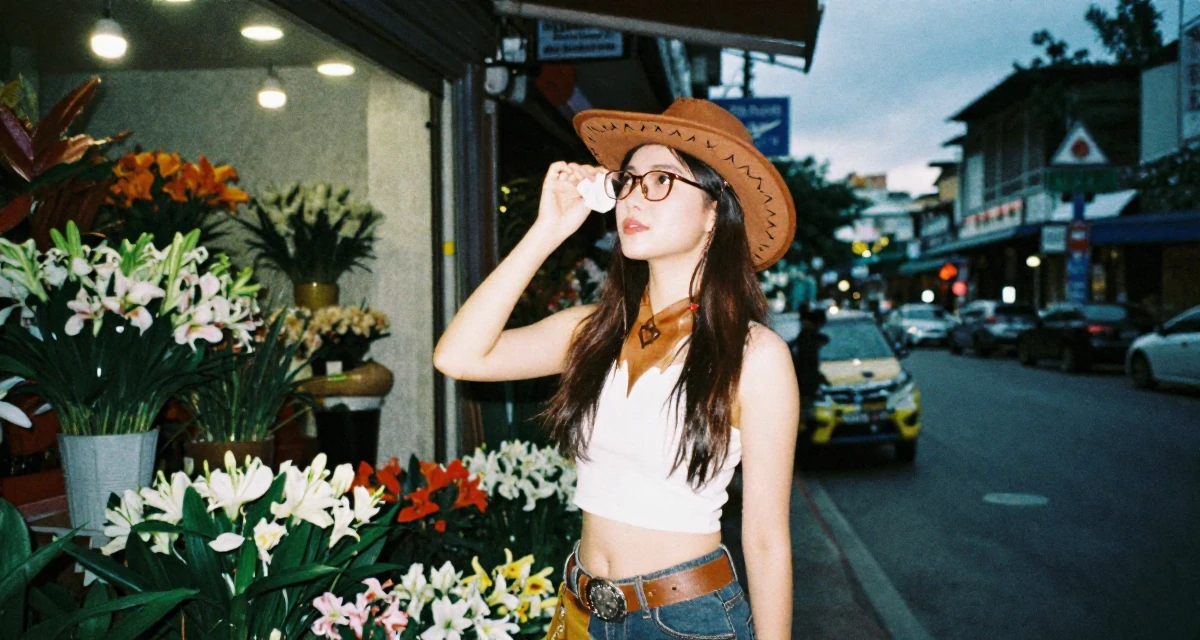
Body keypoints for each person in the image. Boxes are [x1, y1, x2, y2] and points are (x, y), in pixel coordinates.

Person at [433, 98, 799, 639]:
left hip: (686, 620)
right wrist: (548, 230)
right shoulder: (593, 329)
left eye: (661, 181)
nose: (635, 196)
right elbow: (457, 357)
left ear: (715, 211)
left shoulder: (755, 355)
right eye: (629, 181)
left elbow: (766, 539)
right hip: (581, 608)